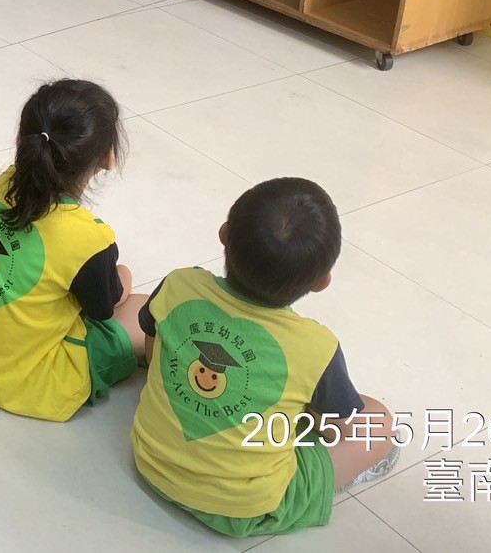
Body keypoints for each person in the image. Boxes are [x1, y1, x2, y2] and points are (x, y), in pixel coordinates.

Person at [132, 177, 399, 537]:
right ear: (322, 282)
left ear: (224, 234)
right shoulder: (317, 346)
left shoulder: (179, 284)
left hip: (151, 461)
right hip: (243, 509)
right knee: (378, 422)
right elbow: (336, 422)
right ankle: (322, 483)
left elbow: (153, 351)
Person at [0, 79, 145, 421]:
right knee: (145, 309)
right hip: (23, 382)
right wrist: (123, 276)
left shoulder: (6, 181)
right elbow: (104, 309)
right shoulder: (91, 239)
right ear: (108, 158)